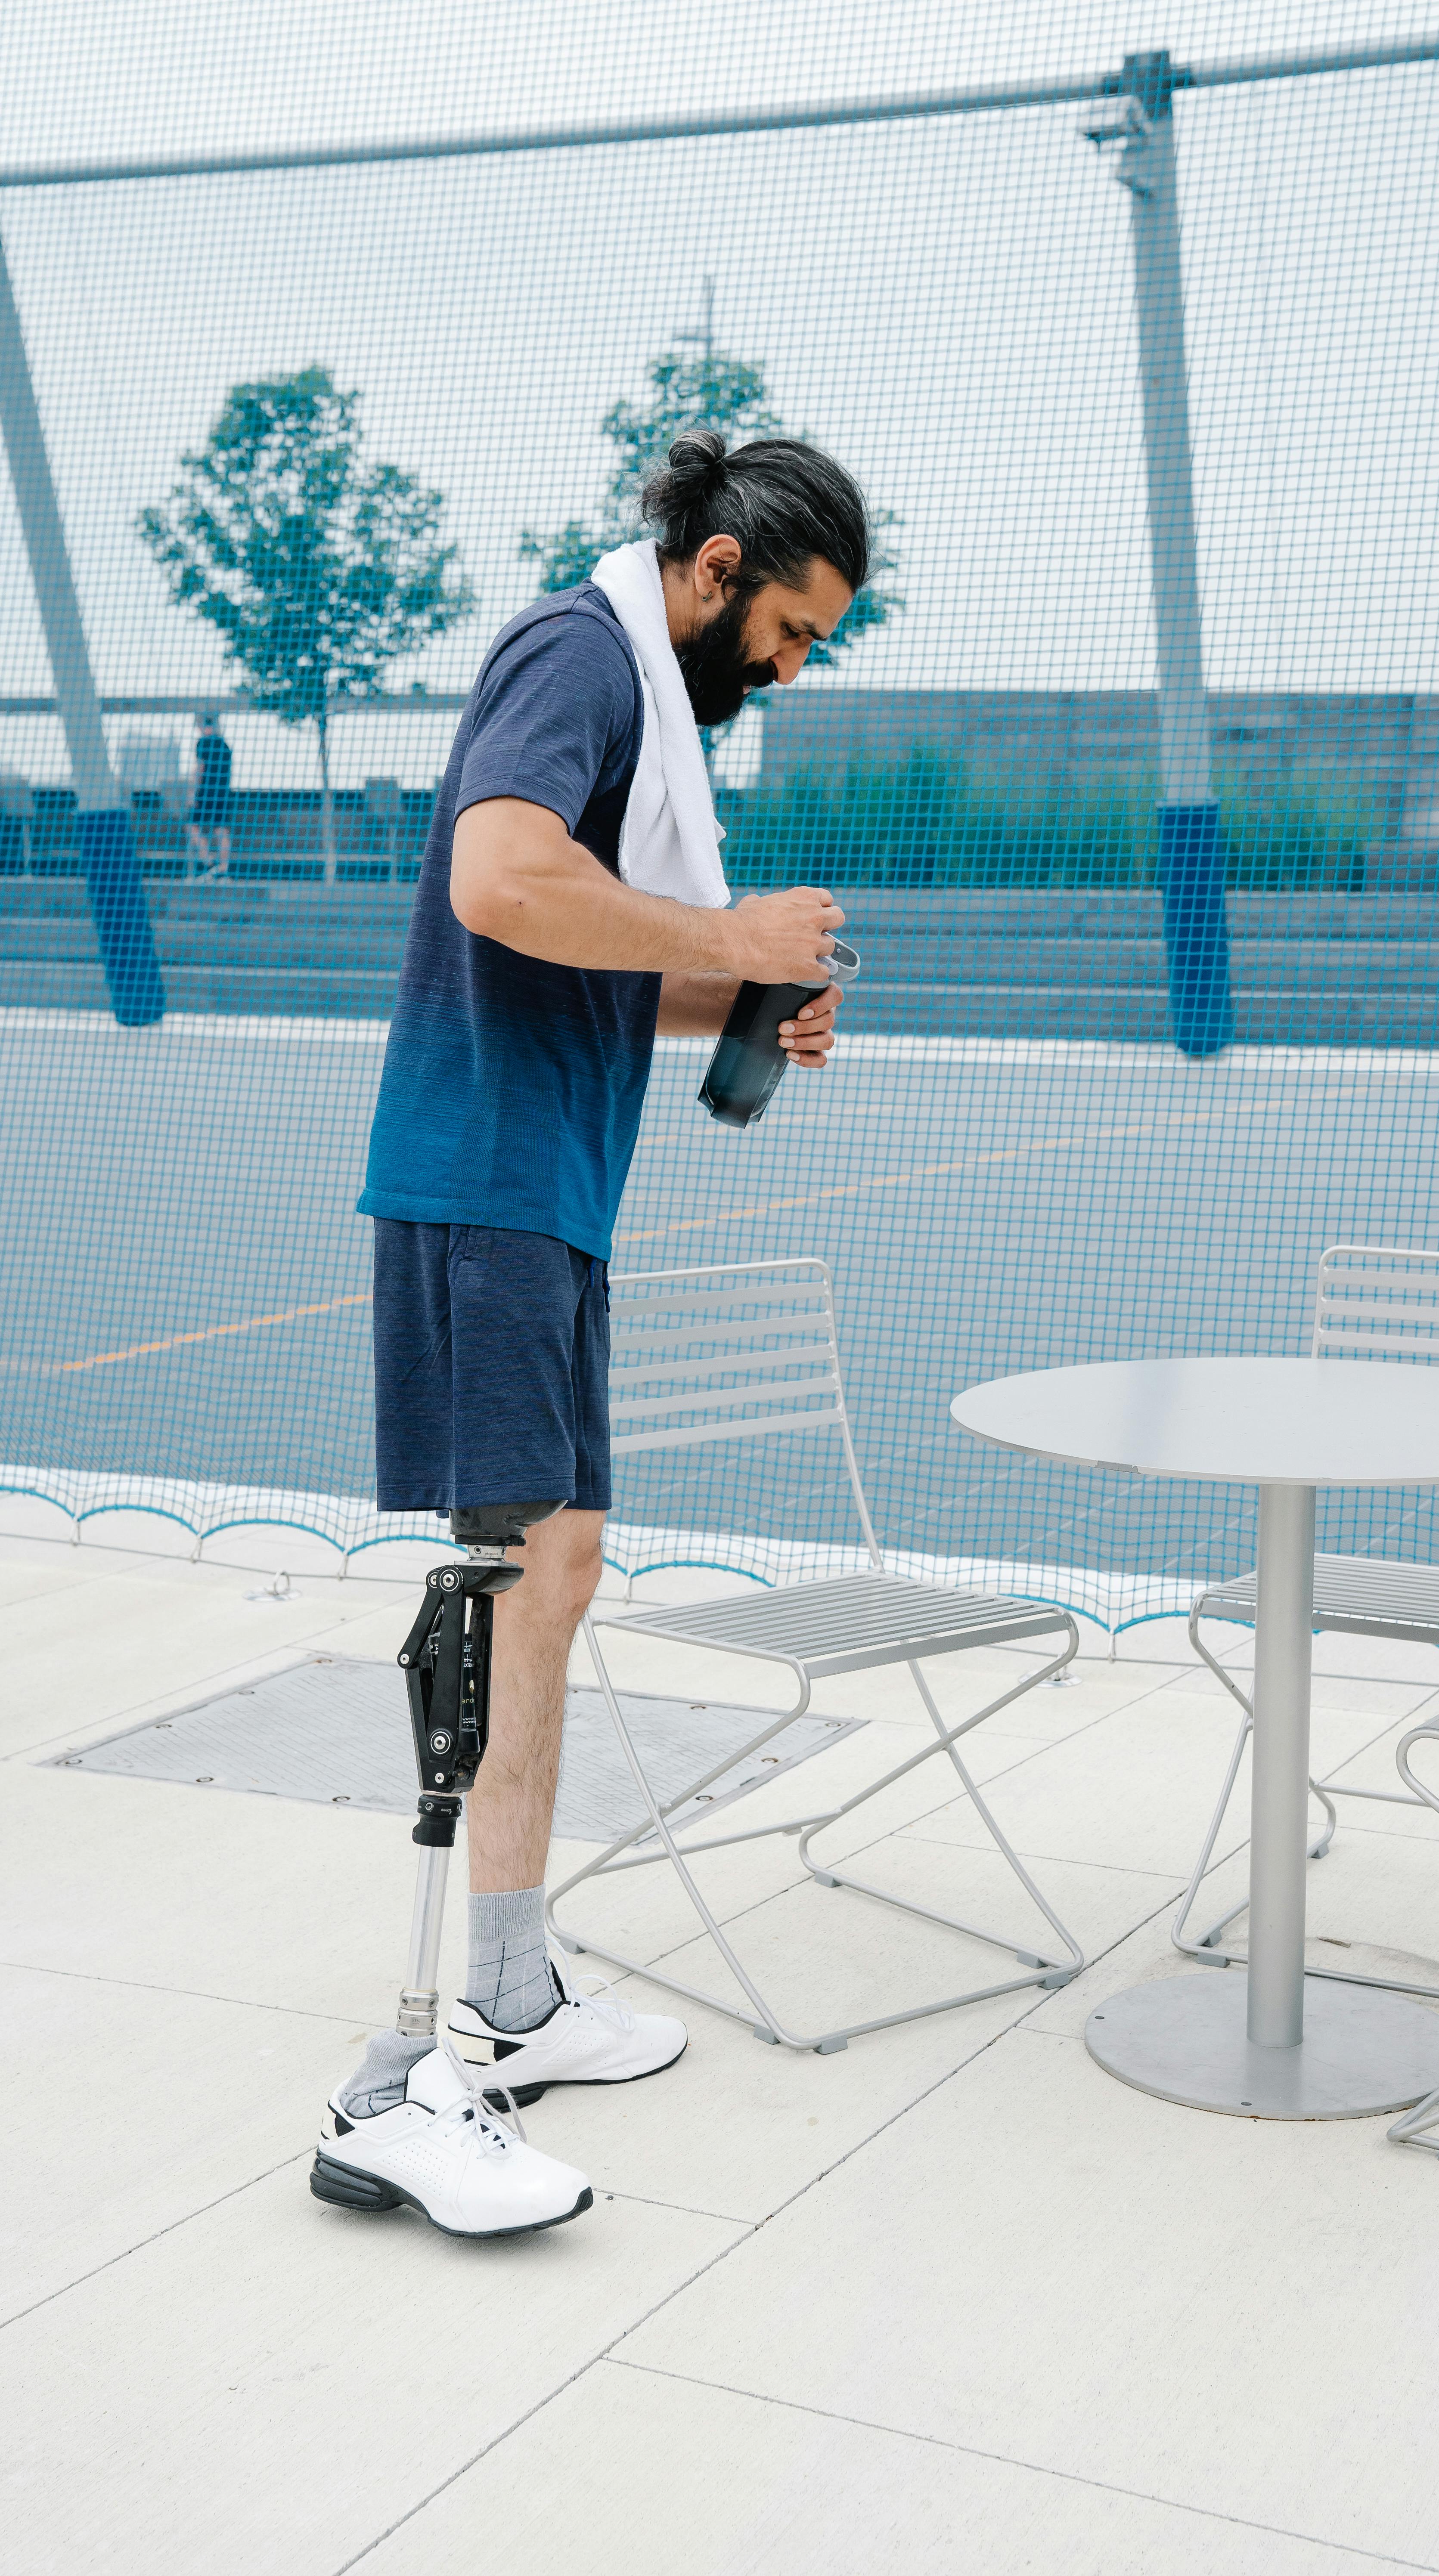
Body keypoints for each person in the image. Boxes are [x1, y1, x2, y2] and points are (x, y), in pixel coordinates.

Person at [313, 430, 873, 2239]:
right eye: (786, 627)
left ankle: (512, 1991)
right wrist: (716, 929)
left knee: (555, 1570)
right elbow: (496, 878)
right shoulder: (576, 651)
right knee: (496, 1584)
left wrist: (737, 989)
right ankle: (407, 2074)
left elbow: (592, 941)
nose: (789, 666)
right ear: (713, 571)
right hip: (484, 1178)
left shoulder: (651, 693)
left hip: (546, 1188)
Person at [186, 707, 233, 878]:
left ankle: (209, 863)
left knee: (192, 826)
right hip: (223, 794)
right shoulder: (225, 745)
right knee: (221, 830)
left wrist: (193, 794)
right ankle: (224, 869)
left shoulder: (203, 743)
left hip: (205, 794)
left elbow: (200, 770)